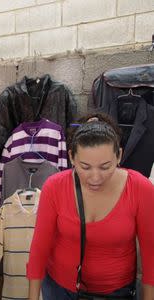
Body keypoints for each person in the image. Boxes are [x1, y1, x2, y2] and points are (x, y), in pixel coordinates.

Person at [26, 114, 154, 300]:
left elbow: (151, 254)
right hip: (59, 289)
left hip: (116, 292)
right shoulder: (55, 186)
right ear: (71, 157)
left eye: (105, 167)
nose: (95, 178)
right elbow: (39, 247)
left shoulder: (140, 188)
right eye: (85, 167)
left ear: (119, 155)